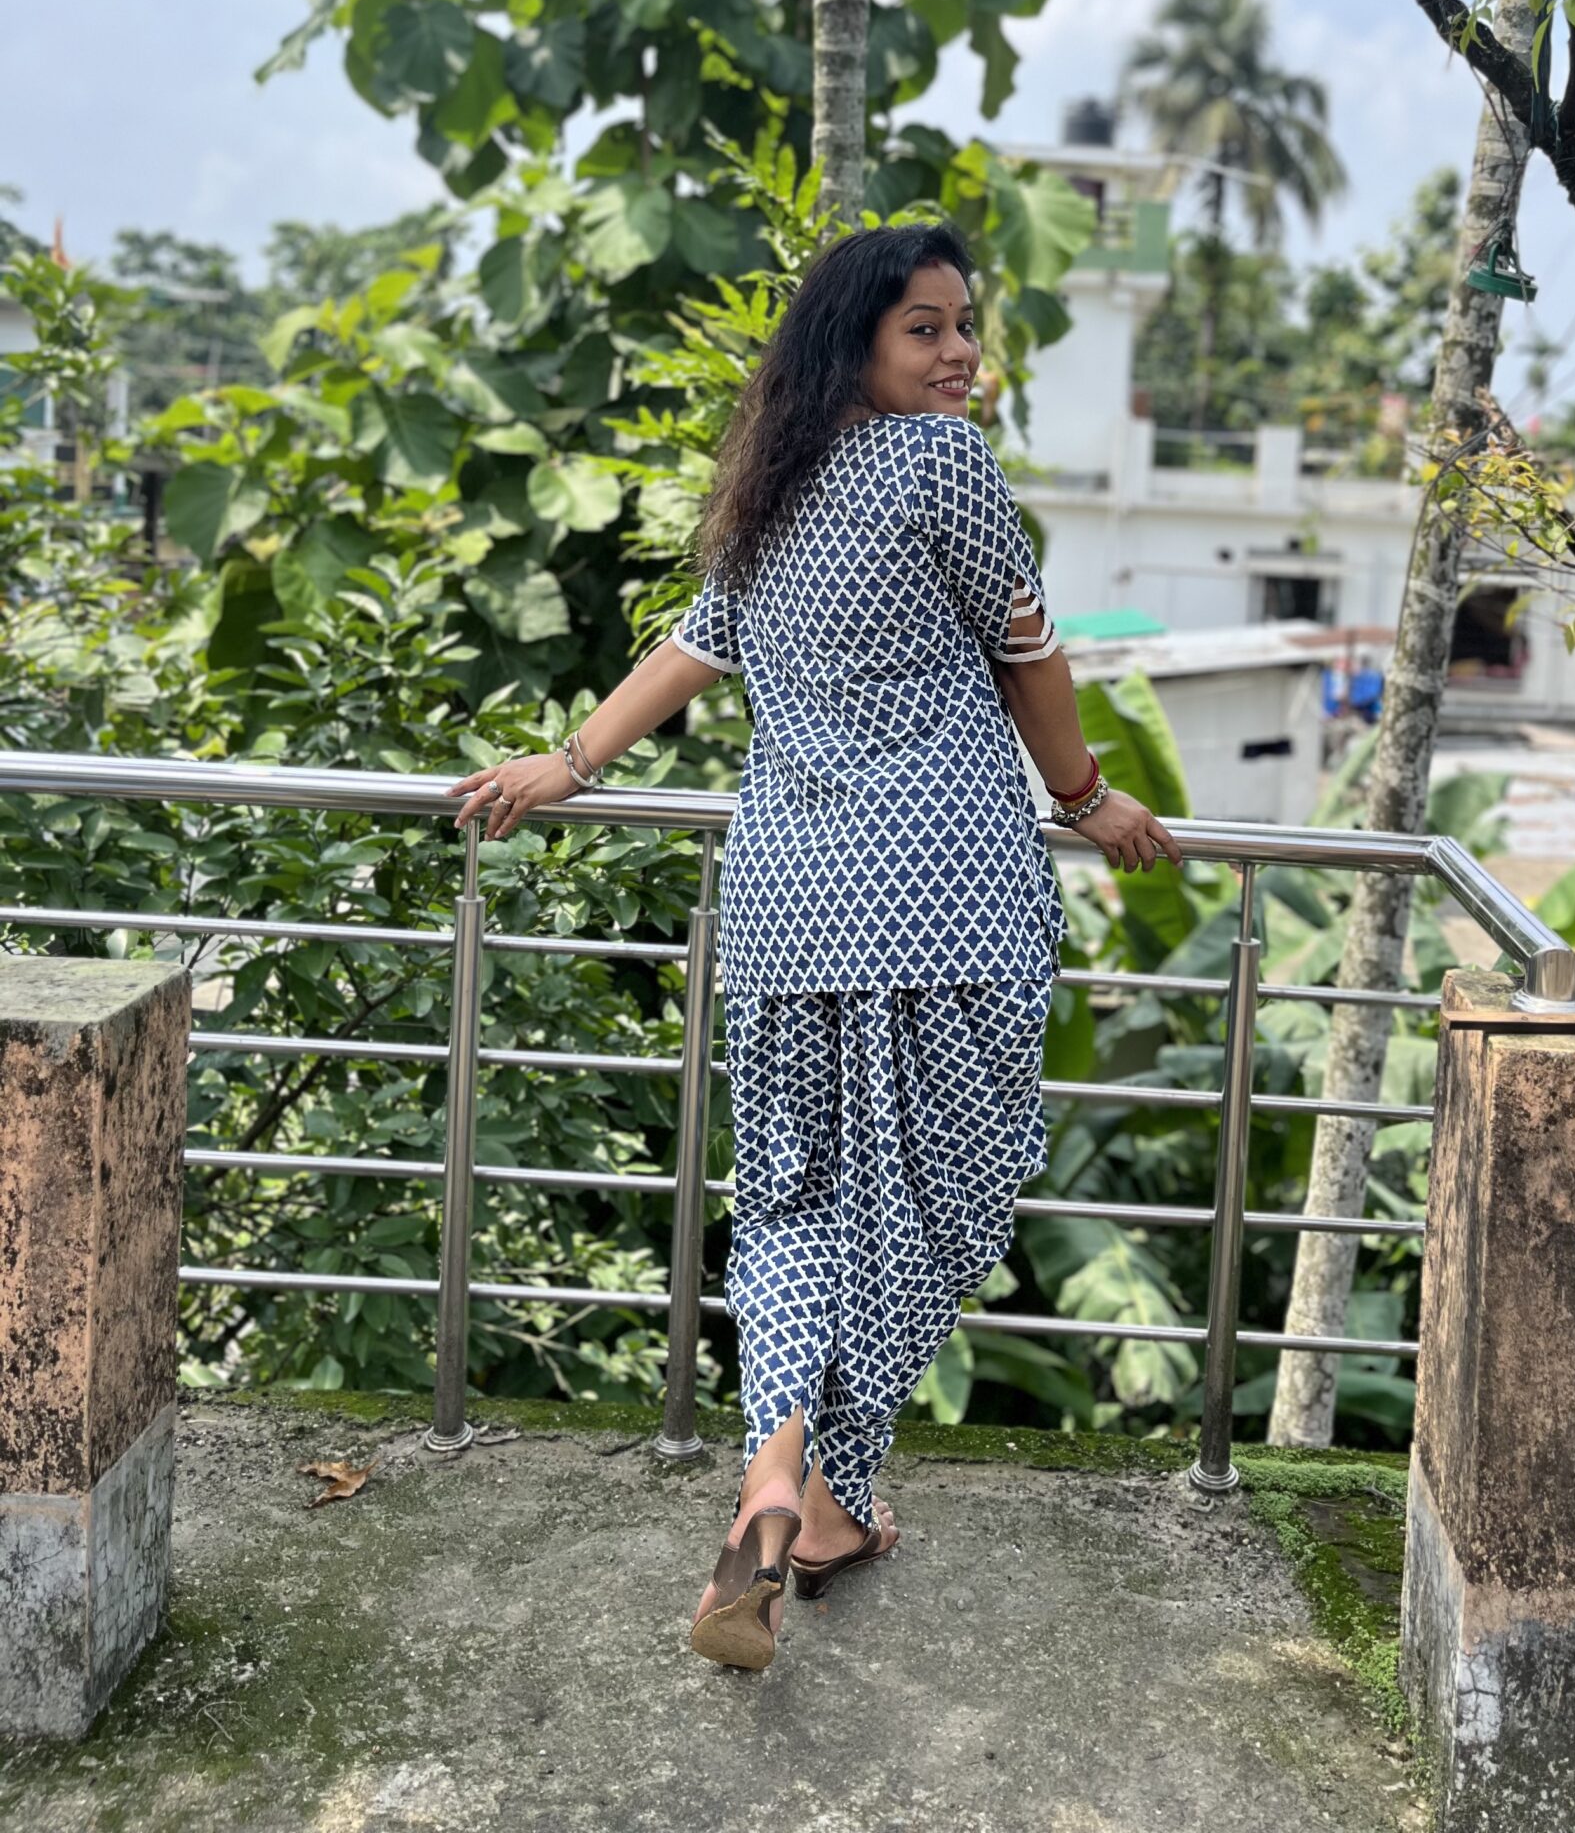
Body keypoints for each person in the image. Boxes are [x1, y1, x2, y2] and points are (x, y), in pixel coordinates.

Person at [448, 221, 1179, 1671]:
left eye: (964, 325)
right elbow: (1031, 652)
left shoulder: (768, 484)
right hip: (946, 895)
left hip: (791, 901)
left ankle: (784, 1482)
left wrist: (569, 765)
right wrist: (1086, 797)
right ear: (855, 340)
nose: (961, 353)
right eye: (926, 327)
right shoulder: (941, 465)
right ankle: (829, 1492)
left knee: (792, 1201)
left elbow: (695, 644)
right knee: (937, 1198)